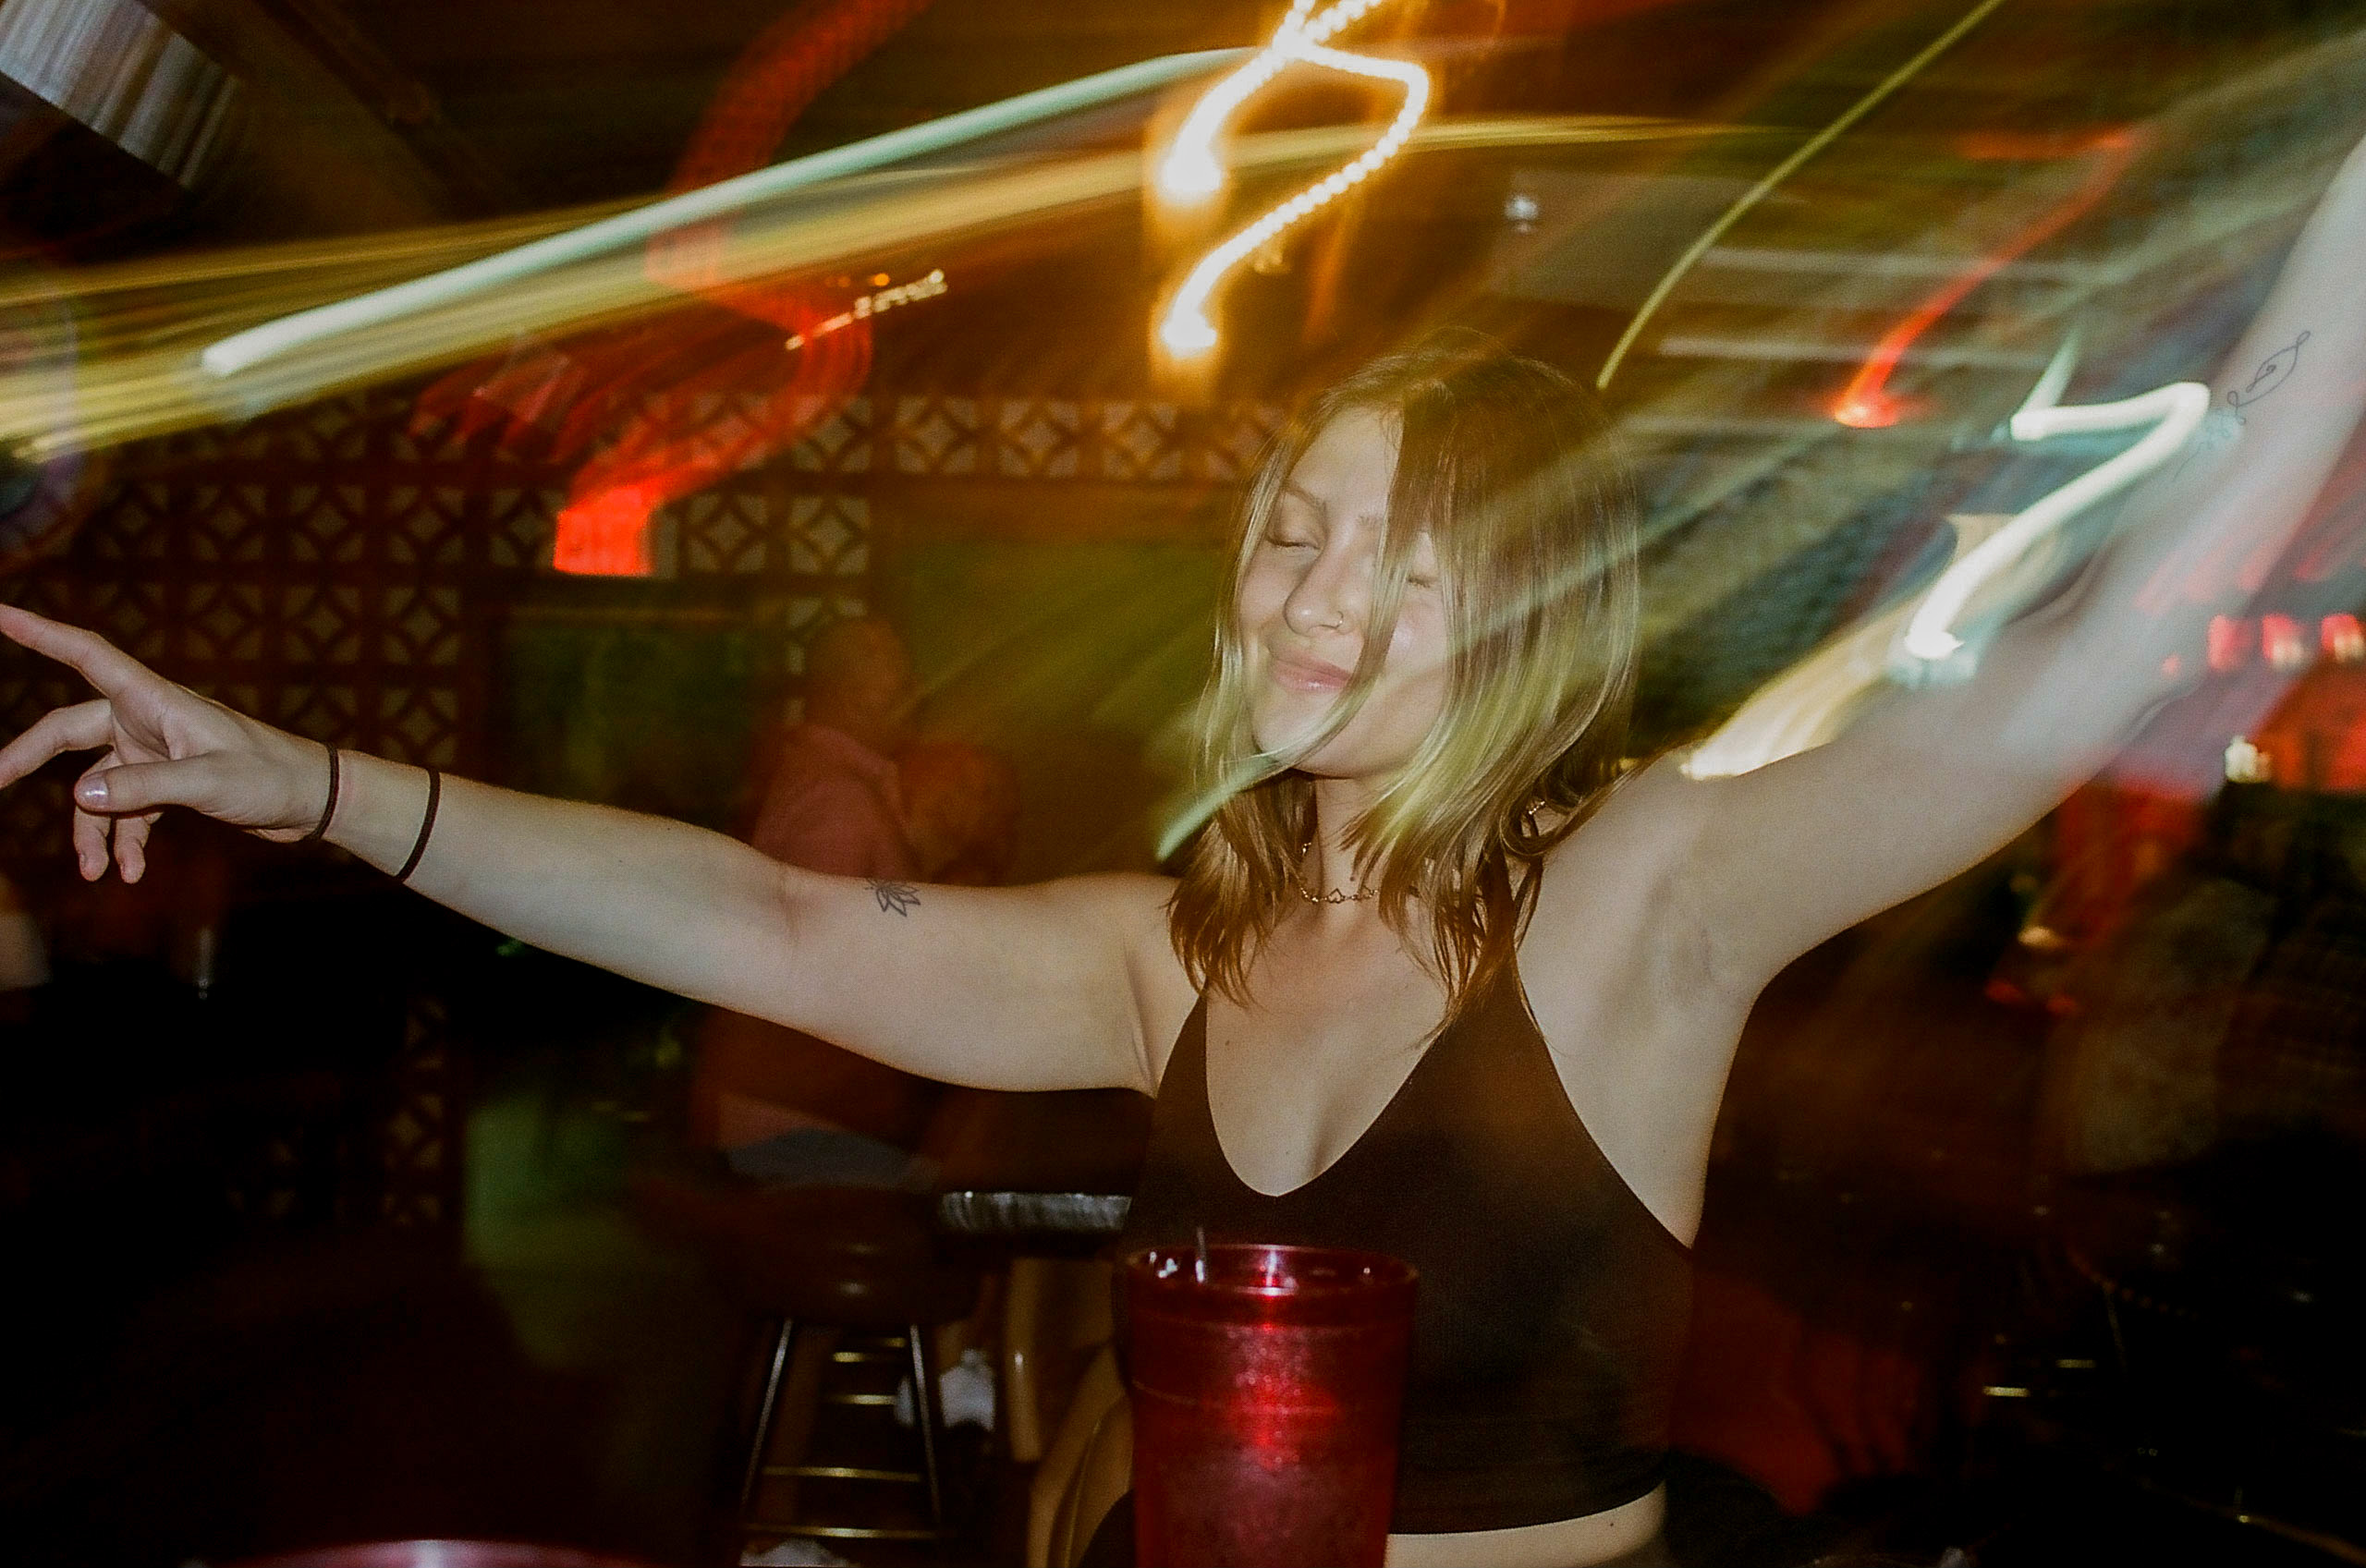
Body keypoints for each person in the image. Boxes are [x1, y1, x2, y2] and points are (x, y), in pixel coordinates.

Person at [6, 128, 2366, 1568]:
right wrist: (312, 780)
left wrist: (2331, 274)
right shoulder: (1165, 952)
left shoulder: (1644, 891)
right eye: (1282, 532)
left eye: (1401, 551)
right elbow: (763, 914)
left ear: (1528, 604)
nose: (1309, 594)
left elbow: (2071, 679)